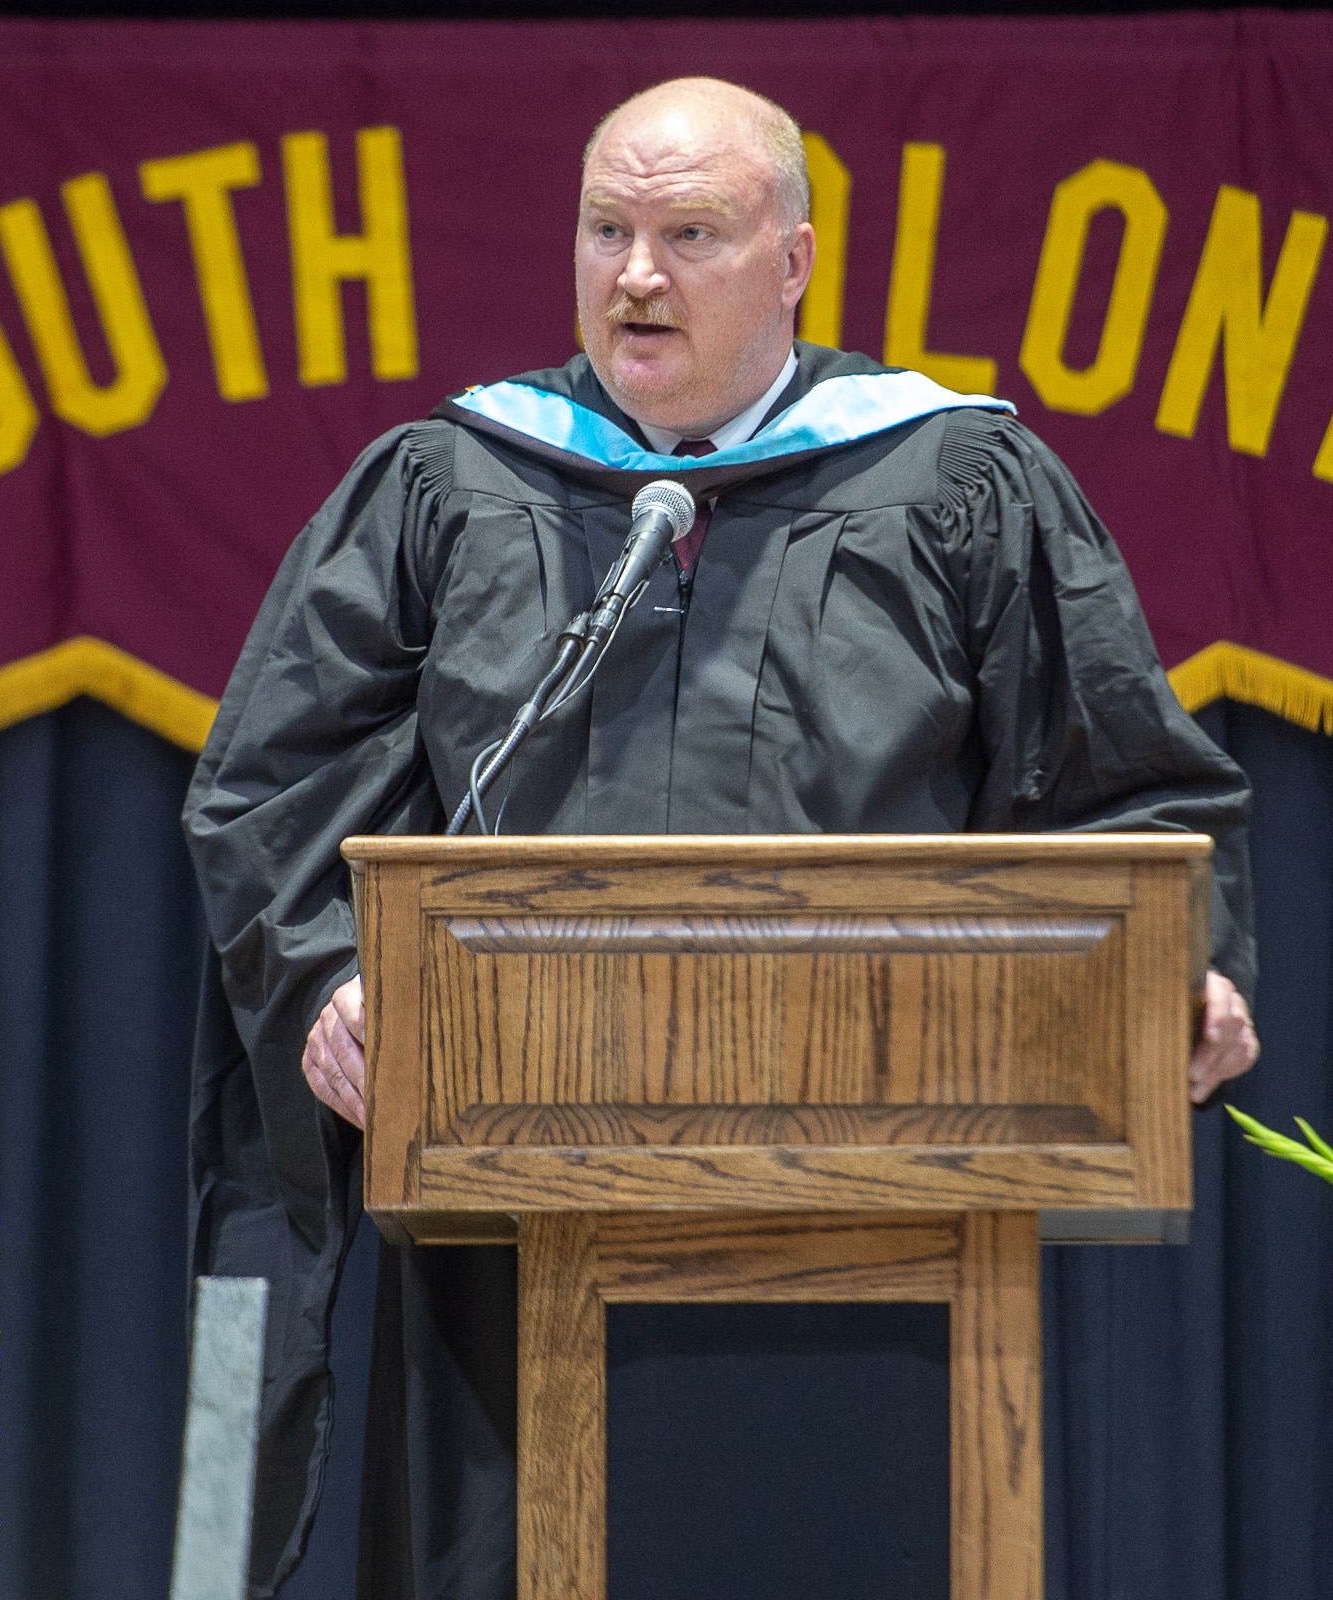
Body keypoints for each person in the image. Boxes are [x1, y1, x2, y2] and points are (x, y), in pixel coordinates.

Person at [184, 76, 1259, 1600]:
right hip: (513, 1180)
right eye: (608, 228)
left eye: (690, 232)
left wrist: (1181, 969)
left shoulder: (950, 480)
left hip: (874, 1190)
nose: (637, 274)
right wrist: (328, 984)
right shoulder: (457, 482)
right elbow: (271, 785)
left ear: (797, 260)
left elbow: (1129, 781)